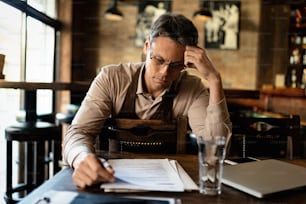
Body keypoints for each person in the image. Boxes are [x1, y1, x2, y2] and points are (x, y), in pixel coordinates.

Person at [63, 13, 232, 188]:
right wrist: (82, 158)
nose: (165, 72)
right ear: (146, 46)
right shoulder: (112, 78)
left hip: (169, 186)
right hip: (112, 180)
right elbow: (78, 132)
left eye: (175, 65)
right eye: (159, 60)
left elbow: (217, 154)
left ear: (187, 63)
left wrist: (214, 79)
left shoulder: (193, 89)